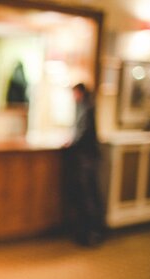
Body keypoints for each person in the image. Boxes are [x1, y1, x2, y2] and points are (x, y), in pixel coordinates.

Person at [64, 83, 105, 246]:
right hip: (88, 157)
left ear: (79, 92)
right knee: (88, 194)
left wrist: (71, 142)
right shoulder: (85, 106)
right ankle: (89, 231)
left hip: (86, 158)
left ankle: (91, 232)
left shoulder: (85, 107)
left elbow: (81, 132)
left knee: (87, 195)